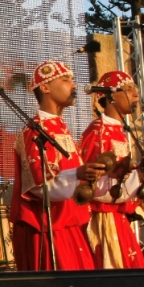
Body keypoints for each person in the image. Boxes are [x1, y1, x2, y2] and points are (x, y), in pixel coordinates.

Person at [11, 61, 105, 271]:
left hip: (71, 225)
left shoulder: (60, 128)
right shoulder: (34, 131)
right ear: (45, 87)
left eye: (72, 80)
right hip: (47, 229)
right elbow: (37, 186)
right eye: (65, 80)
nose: (74, 86)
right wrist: (77, 174)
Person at [78, 70, 144, 269]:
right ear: (110, 96)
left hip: (117, 217)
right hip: (103, 220)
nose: (135, 94)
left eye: (135, 89)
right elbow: (90, 184)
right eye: (128, 89)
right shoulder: (97, 130)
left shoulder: (120, 130)